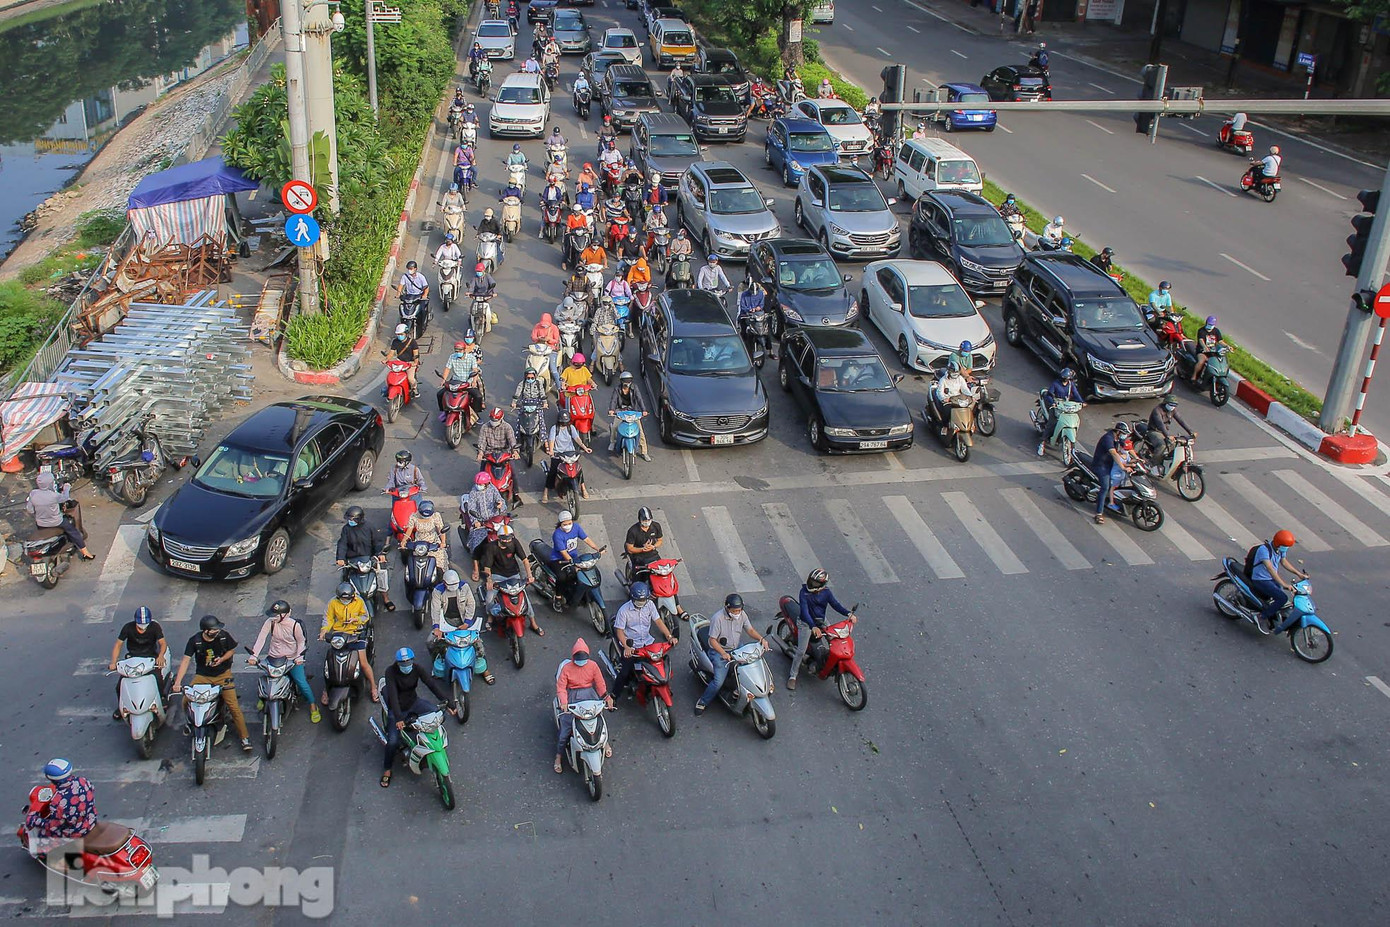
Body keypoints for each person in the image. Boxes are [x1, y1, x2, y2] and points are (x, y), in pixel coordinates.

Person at [171, 615, 252, 752]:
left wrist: (221, 660)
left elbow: (231, 650)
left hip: (223, 676)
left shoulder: (224, 637)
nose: (217, 632)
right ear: (205, 631)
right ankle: (190, 722)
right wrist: (178, 682)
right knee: (186, 701)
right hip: (202, 676)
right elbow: (185, 661)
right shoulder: (195, 641)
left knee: (234, 708)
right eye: (214, 630)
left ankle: (245, 738)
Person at [379, 648, 457, 788]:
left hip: (414, 702)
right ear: (397, 663)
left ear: (412, 660)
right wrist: (398, 718)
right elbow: (393, 695)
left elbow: (431, 684)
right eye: (402, 663)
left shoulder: (417, 668)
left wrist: (448, 702)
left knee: (434, 714)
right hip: (397, 709)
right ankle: (387, 769)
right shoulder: (390, 672)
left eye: (408, 661)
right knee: (392, 741)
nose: (406, 665)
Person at [695, 593, 768, 714]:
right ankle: (703, 702)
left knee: (748, 666)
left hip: (736, 647)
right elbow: (712, 640)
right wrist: (723, 653)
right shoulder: (717, 618)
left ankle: (739, 690)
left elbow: (749, 629)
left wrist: (761, 639)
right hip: (719, 651)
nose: (737, 613)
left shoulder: (742, 615)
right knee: (718, 682)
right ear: (727, 608)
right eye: (734, 611)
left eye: (739, 610)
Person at [248, 601, 320, 723]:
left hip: (291, 659)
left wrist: (298, 657)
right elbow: (261, 638)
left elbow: (301, 642)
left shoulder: (294, 625)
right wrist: (254, 655)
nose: (274, 617)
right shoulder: (269, 622)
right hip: (273, 658)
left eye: (276, 615)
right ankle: (262, 697)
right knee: (266, 680)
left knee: (302, 683)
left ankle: (313, 705)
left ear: (284, 615)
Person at [553, 638, 613, 773]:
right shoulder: (567, 669)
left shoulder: (593, 666)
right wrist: (563, 702)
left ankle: (605, 743)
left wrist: (606, 697)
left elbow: (600, 683)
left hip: (590, 696)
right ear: (573, 657)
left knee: (598, 722)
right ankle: (559, 756)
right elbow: (561, 688)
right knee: (565, 730)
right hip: (573, 698)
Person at [609, 581, 676, 700]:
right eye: (639, 601)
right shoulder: (624, 611)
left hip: (647, 643)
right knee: (624, 673)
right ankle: (614, 696)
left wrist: (669, 637)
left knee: (659, 667)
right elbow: (619, 631)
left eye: (643, 600)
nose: (641, 603)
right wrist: (627, 647)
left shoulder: (649, 605)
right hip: (632, 646)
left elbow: (659, 621)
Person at [788, 569, 853, 690]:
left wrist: (848, 614)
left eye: (816, 583)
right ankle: (793, 676)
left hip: (821, 621)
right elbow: (805, 612)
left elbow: (835, 604)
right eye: (812, 581)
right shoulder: (804, 592)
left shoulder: (826, 593)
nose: (812, 585)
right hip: (805, 623)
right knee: (801, 651)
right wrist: (813, 627)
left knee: (835, 639)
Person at [429, 569, 495, 684]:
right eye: (451, 584)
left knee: (478, 643)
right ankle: (437, 664)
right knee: (431, 642)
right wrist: (436, 627)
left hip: (463, 621)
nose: (454, 586)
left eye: (455, 583)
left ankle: (485, 670)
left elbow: (471, 603)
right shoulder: (437, 591)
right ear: (444, 583)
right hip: (446, 622)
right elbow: (435, 609)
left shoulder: (464, 587)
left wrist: (467, 623)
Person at [317, 583, 378, 702]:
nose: (345, 601)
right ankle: (326, 689)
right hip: (339, 635)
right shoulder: (333, 603)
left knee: (363, 662)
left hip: (356, 633)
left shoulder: (359, 601)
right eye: (343, 599)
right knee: (330, 664)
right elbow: (328, 618)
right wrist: (324, 631)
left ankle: (373, 687)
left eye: (348, 599)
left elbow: (365, 616)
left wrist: (357, 620)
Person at [23, 759, 97, 857]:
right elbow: (92, 789)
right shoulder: (83, 781)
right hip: (90, 820)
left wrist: (34, 820)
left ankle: (45, 854)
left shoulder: (58, 801)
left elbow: (54, 826)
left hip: (75, 832)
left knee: (43, 835)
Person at [108, 606, 168, 719]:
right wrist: (113, 662)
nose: (143, 627)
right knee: (120, 685)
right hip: (133, 657)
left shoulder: (155, 627)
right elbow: (118, 645)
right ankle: (122, 705)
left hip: (150, 657)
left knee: (157, 678)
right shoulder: (128, 628)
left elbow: (163, 643)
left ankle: (161, 698)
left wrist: (160, 656)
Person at [477, 523, 538, 629]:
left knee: (525, 599)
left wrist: (529, 576)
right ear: (499, 538)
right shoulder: (491, 547)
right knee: (490, 597)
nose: (507, 541)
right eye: (504, 539)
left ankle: (533, 623)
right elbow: (487, 567)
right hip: (497, 576)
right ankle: (490, 617)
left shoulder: (514, 543)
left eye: (509, 539)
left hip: (514, 575)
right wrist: (490, 581)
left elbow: (525, 560)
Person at [336, 505, 397, 611]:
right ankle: (346, 600)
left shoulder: (369, 527)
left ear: (358, 519)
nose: (350, 521)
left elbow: (377, 542)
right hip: (353, 560)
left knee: (381, 574)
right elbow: (342, 544)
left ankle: (386, 598)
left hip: (369, 558)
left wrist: (380, 554)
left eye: (352, 519)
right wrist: (340, 558)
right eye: (349, 519)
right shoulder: (346, 529)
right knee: (345, 578)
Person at [1249, 530, 1309, 630]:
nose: (1286, 549)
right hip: (1260, 579)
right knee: (1282, 598)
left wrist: (1299, 574)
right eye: (1285, 546)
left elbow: (1284, 562)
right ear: (1278, 542)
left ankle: (1272, 615)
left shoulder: (1280, 549)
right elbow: (1270, 569)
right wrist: (1284, 584)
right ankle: (1261, 617)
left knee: (1282, 599)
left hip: (1271, 579)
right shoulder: (1264, 550)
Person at [25, 472, 93, 560]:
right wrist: (66, 488)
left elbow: (30, 510)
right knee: (73, 531)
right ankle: (85, 553)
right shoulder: (54, 496)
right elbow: (65, 498)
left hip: (41, 524)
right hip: (57, 522)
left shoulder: (33, 493)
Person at [459, 470, 509, 574]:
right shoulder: (474, 492)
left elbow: (501, 501)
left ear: (487, 484)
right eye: (477, 484)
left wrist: (501, 505)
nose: (478, 486)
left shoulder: (493, 489)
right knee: (476, 543)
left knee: (507, 536)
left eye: (481, 484)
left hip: (494, 520)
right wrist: (475, 521)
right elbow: (471, 508)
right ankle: (476, 568)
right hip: (481, 522)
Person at [549, 509, 602, 606]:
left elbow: (586, 539)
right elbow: (564, 553)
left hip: (573, 557)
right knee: (562, 577)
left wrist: (597, 549)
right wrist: (574, 564)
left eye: (569, 523)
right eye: (565, 524)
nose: (568, 525)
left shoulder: (576, 527)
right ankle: (558, 597)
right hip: (558, 559)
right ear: (560, 524)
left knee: (581, 573)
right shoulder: (557, 534)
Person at [542, 411, 592, 504]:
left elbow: (577, 438)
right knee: (553, 471)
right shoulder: (554, 428)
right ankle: (546, 491)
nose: (564, 424)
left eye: (566, 422)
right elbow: (551, 440)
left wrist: (585, 447)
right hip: (558, 454)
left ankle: (583, 488)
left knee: (579, 470)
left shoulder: (571, 428)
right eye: (562, 422)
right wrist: (552, 451)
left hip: (570, 453)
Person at [1091, 421, 1135, 524]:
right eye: (1124, 433)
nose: (1125, 435)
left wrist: (1137, 459)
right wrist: (1123, 467)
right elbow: (1114, 454)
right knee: (1105, 487)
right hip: (1101, 466)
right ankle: (1099, 513)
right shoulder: (1108, 438)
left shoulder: (1118, 439)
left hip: (1110, 464)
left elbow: (1127, 449)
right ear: (1118, 432)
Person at [1037, 367, 1083, 455]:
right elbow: (1049, 395)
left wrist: (1081, 402)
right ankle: (1042, 443)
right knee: (1052, 423)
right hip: (1056, 405)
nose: (1066, 380)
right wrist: (1052, 403)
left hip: (1066, 406)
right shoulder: (1055, 384)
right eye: (1065, 378)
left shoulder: (1070, 385)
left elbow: (1076, 394)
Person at [607, 370, 650, 459]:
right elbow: (614, 400)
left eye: (629, 381)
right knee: (615, 427)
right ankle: (612, 442)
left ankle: (644, 452)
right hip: (621, 411)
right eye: (625, 381)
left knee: (640, 431)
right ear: (621, 381)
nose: (627, 383)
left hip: (633, 412)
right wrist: (612, 410)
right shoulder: (617, 389)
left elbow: (639, 399)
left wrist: (644, 410)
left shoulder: (635, 388)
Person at [439, 336, 484, 419]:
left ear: (464, 350)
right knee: (440, 394)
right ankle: (444, 411)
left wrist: (474, 381)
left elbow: (475, 370)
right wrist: (444, 379)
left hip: (467, 382)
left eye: (459, 351)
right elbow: (447, 368)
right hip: (456, 381)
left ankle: (476, 415)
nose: (458, 352)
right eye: (456, 351)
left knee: (478, 396)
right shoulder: (452, 357)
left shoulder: (471, 358)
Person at [1144, 398, 1196, 465]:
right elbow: (1160, 424)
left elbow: (1181, 420)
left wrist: (1191, 432)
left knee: (1175, 444)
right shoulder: (1157, 411)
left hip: (1164, 431)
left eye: (1174, 405)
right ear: (1165, 403)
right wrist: (1167, 435)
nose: (1172, 407)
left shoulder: (1172, 410)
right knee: (1162, 445)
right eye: (1171, 405)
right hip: (1154, 431)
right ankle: (1152, 463)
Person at [402, 499, 450, 565]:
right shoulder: (414, 516)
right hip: (419, 542)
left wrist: (443, 542)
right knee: (414, 562)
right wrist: (404, 540)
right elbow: (409, 529)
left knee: (440, 562)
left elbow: (440, 529)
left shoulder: (436, 516)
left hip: (433, 542)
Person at [477, 407, 520, 473]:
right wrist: (480, 453)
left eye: (496, 420)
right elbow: (482, 441)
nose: (494, 422)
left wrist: (515, 452)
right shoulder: (485, 427)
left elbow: (512, 440)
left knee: (514, 474)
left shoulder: (507, 427)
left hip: (504, 454)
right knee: (482, 473)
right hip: (489, 453)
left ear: (501, 418)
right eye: (492, 419)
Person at [931, 359, 972, 425]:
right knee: (947, 411)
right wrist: (944, 398)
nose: (955, 374)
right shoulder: (943, 380)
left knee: (968, 409)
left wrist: (970, 396)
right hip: (948, 400)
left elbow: (965, 389)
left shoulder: (960, 378)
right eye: (953, 372)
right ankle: (945, 426)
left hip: (958, 399)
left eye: (957, 372)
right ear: (949, 371)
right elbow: (939, 392)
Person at [384, 322, 420, 397]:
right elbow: (391, 353)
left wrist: (415, 362)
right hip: (399, 362)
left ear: (406, 333)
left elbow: (416, 354)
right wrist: (386, 360)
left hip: (410, 363)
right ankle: (388, 391)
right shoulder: (395, 342)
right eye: (398, 334)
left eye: (401, 334)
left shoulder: (412, 342)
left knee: (410, 379)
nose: (399, 336)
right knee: (389, 377)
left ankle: (414, 388)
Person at [1192, 315, 1225, 384]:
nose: (1210, 326)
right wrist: (1205, 347)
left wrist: (1227, 346)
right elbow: (1201, 340)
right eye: (1209, 324)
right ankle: (1194, 376)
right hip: (1202, 351)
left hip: (1213, 351)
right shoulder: (1201, 330)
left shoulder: (1216, 331)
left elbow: (1220, 341)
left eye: (1212, 325)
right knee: (1201, 362)